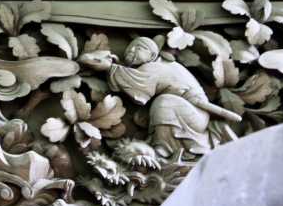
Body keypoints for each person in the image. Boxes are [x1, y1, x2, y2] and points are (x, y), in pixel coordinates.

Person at [82, 37, 241, 156]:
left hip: (196, 116)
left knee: (165, 102)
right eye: (129, 50)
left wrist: (110, 67)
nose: (130, 52)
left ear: (151, 53)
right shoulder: (154, 67)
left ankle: (163, 149)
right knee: (164, 102)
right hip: (193, 114)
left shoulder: (156, 67)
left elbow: (140, 87)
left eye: (137, 48)